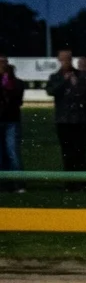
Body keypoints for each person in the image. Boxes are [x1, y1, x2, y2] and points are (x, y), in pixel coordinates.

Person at [45, 49, 86, 178]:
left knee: (80, 151)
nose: (66, 62)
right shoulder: (55, 77)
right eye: (63, 59)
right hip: (63, 120)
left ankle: (81, 181)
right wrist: (65, 81)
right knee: (67, 152)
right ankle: (70, 181)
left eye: (68, 59)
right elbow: (50, 91)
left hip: (80, 119)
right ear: (59, 60)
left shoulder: (81, 75)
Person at [0, 56, 22, 191]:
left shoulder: (16, 82)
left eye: (4, 62)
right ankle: (5, 184)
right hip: (8, 119)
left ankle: (18, 184)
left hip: (11, 120)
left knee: (12, 153)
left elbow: (17, 99)